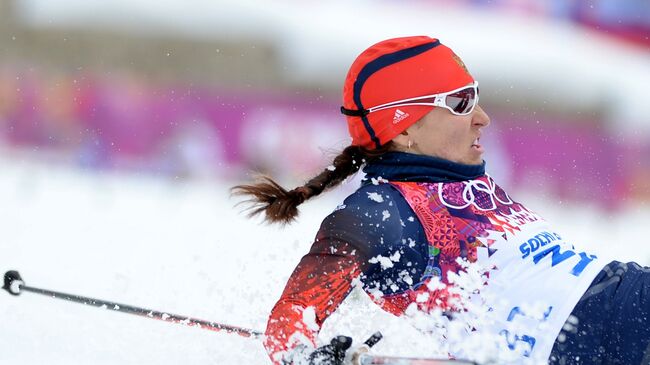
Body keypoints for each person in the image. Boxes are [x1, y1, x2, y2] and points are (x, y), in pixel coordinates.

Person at [233, 36, 650, 365]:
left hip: (624, 304)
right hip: (599, 337)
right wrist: (303, 356)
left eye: (475, 96)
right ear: (403, 130)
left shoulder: (457, 176)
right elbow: (293, 316)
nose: (482, 117)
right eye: (460, 103)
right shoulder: (379, 210)